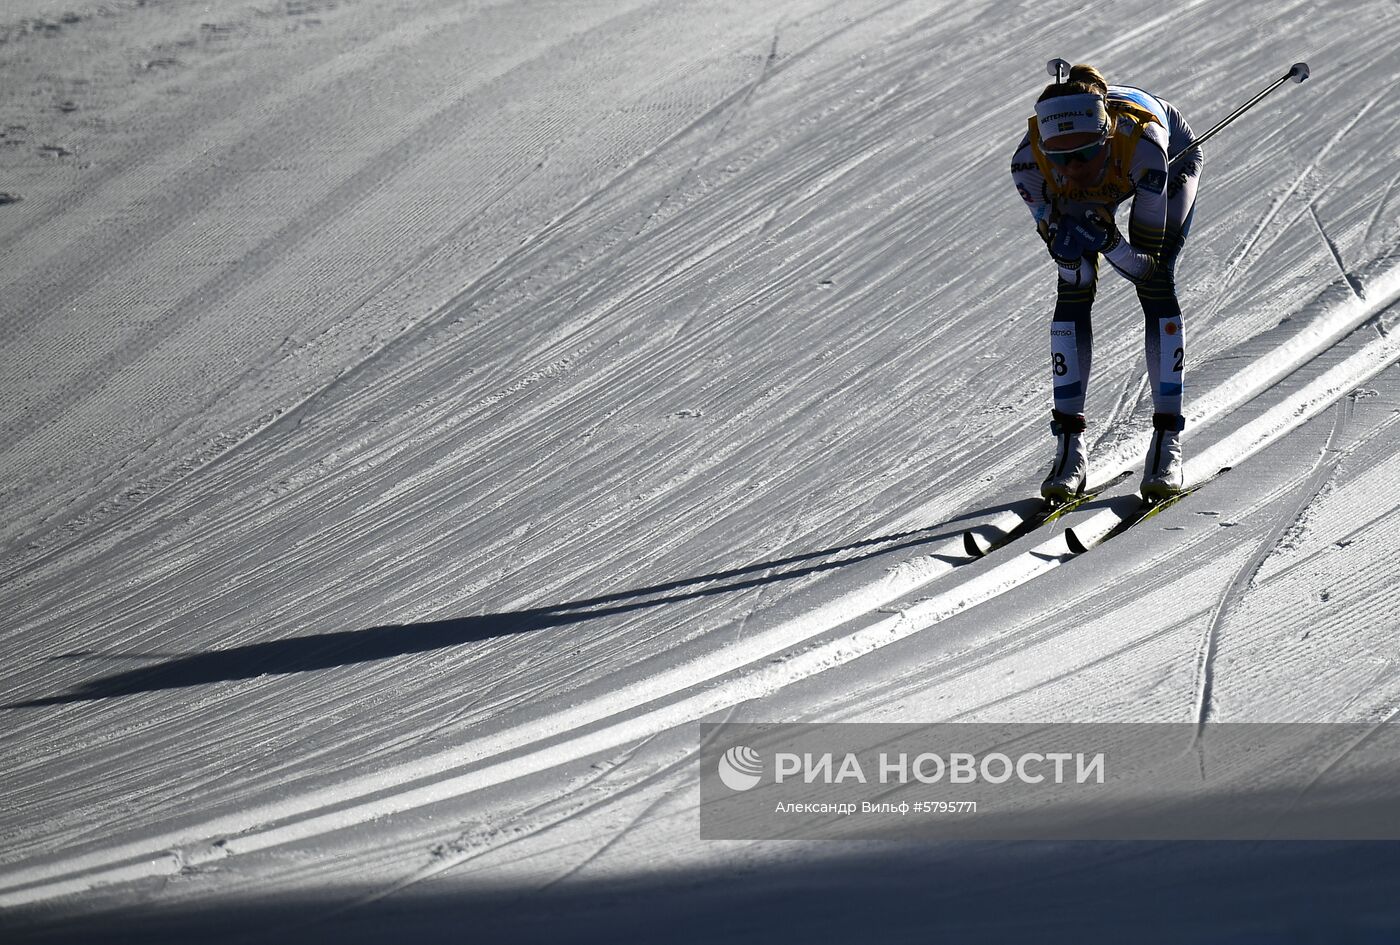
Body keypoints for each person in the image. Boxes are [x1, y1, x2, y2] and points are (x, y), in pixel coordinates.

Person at [1010, 63, 1203, 502]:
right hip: (1112, 172)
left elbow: (1145, 267)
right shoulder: (1029, 165)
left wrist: (1113, 242)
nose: (1073, 168)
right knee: (1074, 279)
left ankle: (1168, 438)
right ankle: (1069, 446)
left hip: (1169, 160)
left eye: (1085, 154)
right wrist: (1064, 242)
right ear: (1044, 148)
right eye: (1060, 157)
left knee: (1158, 286)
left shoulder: (1146, 151)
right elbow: (1067, 260)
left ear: (1107, 138)